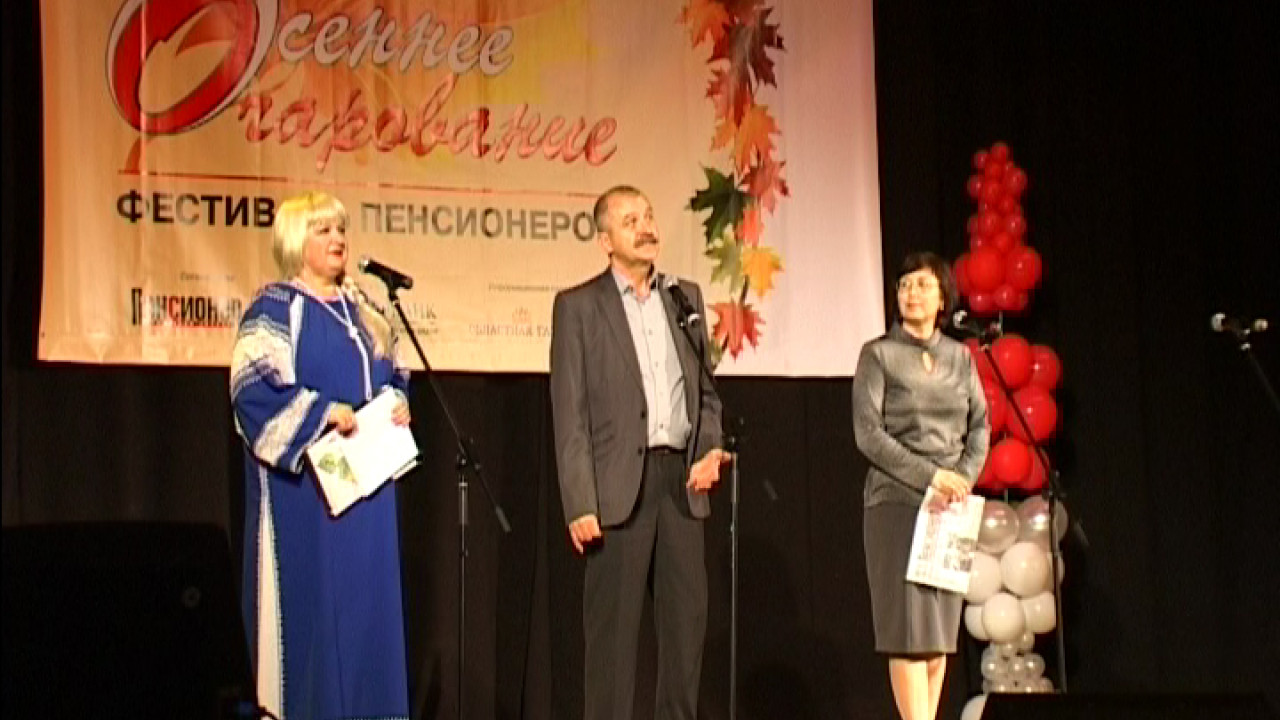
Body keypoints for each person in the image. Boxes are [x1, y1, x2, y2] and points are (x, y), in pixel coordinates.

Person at [230, 191, 412, 720]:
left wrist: (399, 400)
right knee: (315, 624)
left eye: (340, 229)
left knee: (367, 617)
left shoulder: (366, 310)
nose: (338, 240)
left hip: (368, 496)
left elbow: (394, 375)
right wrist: (322, 412)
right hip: (307, 498)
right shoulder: (276, 308)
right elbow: (250, 390)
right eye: (323, 230)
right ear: (295, 241)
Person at [550, 185, 729, 719]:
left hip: (681, 485)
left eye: (648, 216)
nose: (646, 227)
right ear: (605, 240)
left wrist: (709, 447)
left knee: (684, 637)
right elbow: (569, 414)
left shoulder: (683, 298)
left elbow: (706, 395)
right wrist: (580, 502)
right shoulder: (579, 307)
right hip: (616, 490)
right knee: (612, 648)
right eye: (630, 220)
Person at [851, 251, 990, 720]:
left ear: (943, 297)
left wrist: (963, 478)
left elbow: (981, 426)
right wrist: (932, 476)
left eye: (923, 284)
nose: (912, 293)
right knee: (908, 634)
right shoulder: (878, 355)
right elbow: (868, 434)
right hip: (897, 502)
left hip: (951, 506)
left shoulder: (959, 357)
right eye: (905, 284)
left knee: (937, 637)